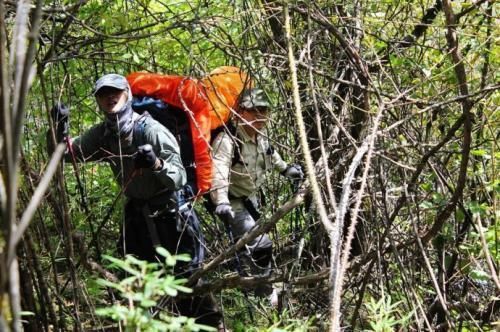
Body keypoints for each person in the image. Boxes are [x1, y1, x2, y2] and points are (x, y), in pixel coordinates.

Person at [49, 74, 222, 328]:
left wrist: (156, 163)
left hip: (172, 215)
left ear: (127, 94)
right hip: (137, 219)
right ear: (97, 100)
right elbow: (68, 155)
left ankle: (211, 326)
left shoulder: (150, 130)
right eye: (103, 93)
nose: (110, 97)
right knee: (138, 284)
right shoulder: (103, 134)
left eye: (115, 92)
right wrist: (58, 129)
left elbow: (180, 177)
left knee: (188, 282)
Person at [210, 88, 303, 305]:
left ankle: (250, 286)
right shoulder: (227, 140)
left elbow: (272, 155)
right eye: (255, 111)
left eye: (264, 111)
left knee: (251, 247)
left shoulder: (260, 136)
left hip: (251, 199)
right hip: (232, 203)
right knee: (261, 245)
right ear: (240, 112)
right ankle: (265, 295)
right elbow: (219, 173)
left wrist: (286, 169)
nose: (261, 117)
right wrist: (221, 201)